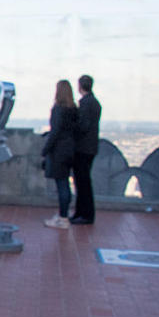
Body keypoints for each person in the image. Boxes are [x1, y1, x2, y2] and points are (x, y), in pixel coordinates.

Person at [42, 80, 79, 229]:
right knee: (65, 183)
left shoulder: (58, 109)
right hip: (70, 149)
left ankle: (63, 218)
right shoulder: (74, 109)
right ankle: (64, 215)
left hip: (59, 150)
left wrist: (45, 149)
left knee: (62, 184)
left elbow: (55, 131)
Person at [71, 74, 101, 225]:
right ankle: (83, 213)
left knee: (82, 183)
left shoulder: (86, 103)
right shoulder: (94, 103)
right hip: (90, 147)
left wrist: (71, 127)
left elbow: (83, 126)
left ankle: (84, 214)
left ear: (80, 86)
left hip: (83, 148)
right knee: (84, 183)